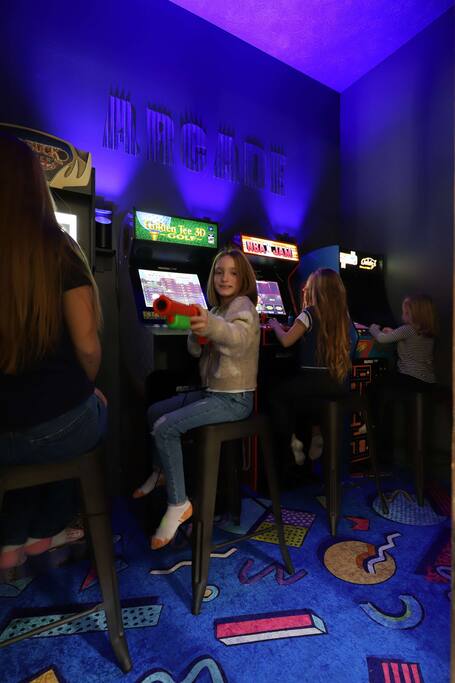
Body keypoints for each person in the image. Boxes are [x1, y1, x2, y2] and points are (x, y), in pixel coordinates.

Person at [0, 133, 106, 570]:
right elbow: (87, 345)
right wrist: (87, 389)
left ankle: (12, 536)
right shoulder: (58, 247)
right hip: (54, 421)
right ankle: (50, 526)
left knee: (28, 434)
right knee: (90, 414)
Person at [133, 247, 260, 550]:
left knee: (165, 427)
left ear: (243, 279)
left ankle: (179, 503)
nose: (224, 278)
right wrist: (196, 333)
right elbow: (195, 351)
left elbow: (238, 338)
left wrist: (211, 327)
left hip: (235, 399)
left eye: (233, 273)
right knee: (154, 412)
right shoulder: (215, 310)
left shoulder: (243, 307)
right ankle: (161, 472)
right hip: (212, 392)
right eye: (219, 272)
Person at [267, 268, 357, 481]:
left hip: (313, 383)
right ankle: (316, 434)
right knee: (312, 398)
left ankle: (292, 441)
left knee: (277, 395)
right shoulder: (343, 316)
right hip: (338, 385)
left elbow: (286, 340)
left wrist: (275, 325)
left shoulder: (308, 313)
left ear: (315, 290)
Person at [367, 294, 438, 457]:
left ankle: (373, 424)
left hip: (409, 380)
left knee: (375, 384)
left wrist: (373, 329)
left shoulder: (407, 329)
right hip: (427, 382)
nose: (402, 316)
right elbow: (406, 339)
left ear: (416, 314)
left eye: (406, 313)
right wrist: (394, 332)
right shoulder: (427, 332)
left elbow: (382, 339)